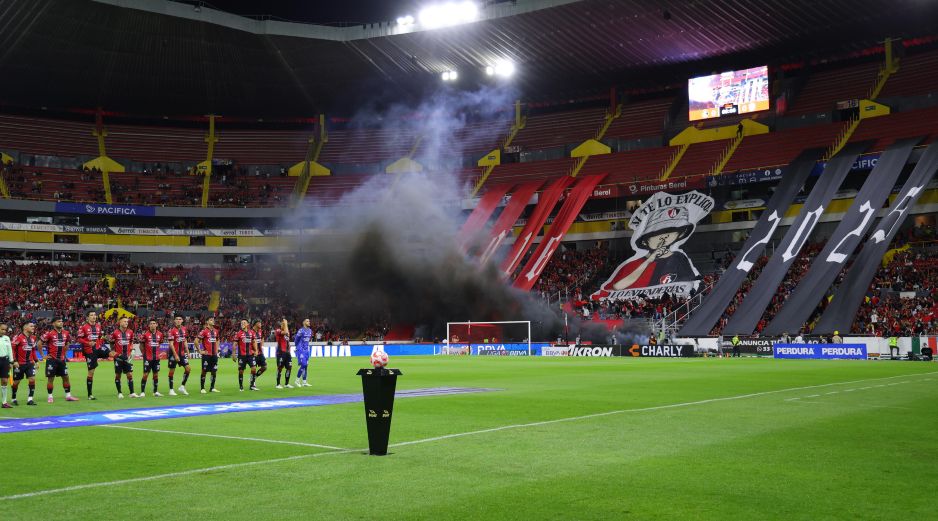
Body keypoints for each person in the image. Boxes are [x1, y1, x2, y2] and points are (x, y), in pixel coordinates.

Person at [41, 317, 78, 403]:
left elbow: (67, 343)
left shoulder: (66, 333)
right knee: (51, 379)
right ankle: (50, 396)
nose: (61, 323)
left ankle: (68, 396)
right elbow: (39, 343)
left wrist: (64, 354)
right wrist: (43, 355)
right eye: (58, 321)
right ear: (53, 323)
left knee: (66, 377)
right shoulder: (49, 334)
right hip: (52, 360)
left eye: (62, 321)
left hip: (61, 360)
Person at [77, 311, 108, 400]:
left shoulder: (98, 326)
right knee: (91, 372)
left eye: (95, 315)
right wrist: (88, 343)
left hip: (97, 348)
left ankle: (123, 359)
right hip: (89, 351)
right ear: (88, 317)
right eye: (91, 315)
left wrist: (102, 340)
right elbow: (79, 339)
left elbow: (99, 337)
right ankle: (90, 395)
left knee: (111, 353)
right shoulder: (83, 327)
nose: (94, 316)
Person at [11, 322, 40, 406]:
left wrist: (36, 361)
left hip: (30, 363)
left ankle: (30, 399)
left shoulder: (33, 338)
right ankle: (13, 398)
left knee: (32, 379)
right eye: (31, 326)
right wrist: (14, 361)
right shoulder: (18, 337)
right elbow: (12, 349)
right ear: (25, 328)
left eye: (33, 326)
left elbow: (33, 350)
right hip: (19, 364)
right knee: (16, 382)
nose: (33, 327)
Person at [110, 316, 136, 398]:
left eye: (127, 322)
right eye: (124, 321)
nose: (126, 323)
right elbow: (111, 343)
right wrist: (114, 352)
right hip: (118, 358)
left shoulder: (130, 332)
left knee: (130, 375)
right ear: (120, 322)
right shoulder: (115, 333)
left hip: (128, 357)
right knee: (118, 375)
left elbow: (131, 342)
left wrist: (132, 349)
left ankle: (132, 393)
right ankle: (119, 393)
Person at [167, 315, 190, 396]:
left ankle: (182, 386)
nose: (178, 320)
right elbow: (171, 344)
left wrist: (187, 351)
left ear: (182, 320)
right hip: (173, 354)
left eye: (180, 319)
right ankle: (171, 389)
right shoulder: (171, 331)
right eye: (177, 319)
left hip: (182, 354)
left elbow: (185, 341)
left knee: (188, 369)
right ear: (174, 321)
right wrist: (175, 355)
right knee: (172, 371)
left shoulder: (184, 329)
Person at [139, 320, 163, 397]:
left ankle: (155, 391)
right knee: (145, 374)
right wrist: (144, 355)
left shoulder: (160, 334)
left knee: (155, 374)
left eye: (154, 323)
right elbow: (141, 346)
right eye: (151, 324)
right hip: (148, 358)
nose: (153, 325)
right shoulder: (145, 335)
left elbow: (159, 343)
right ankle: (142, 392)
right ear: (149, 325)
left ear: (156, 324)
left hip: (156, 358)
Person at [233, 319, 258, 391]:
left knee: (253, 368)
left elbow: (254, 342)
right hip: (242, 355)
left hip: (250, 355)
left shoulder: (251, 332)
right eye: (241, 323)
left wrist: (256, 350)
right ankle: (241, 386)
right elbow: (235, 344)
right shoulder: (238, 333)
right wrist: (234, 354)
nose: (242, 324)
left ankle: (252, 385)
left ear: (247, 324)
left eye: (244, 322)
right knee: (241, 371)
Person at [198, 317, 221, 393]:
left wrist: (217, 349)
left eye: (213, 320)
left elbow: (218, 340)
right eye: (211, 320)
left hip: (214, 355)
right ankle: (202, 388)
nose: (213, 321)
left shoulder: (216, 331)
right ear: (207, 322)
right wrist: (200, 351)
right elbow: (196, 341)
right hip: (206, 355)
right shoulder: (204, 331)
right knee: (204, 371)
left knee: (214, 371)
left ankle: (212, 387)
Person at [274, 319, 293, 389]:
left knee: (289, 367)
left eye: (284, 324)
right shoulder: (278, 331)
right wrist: (286, 323)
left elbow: (288, 341)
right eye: (282, 324)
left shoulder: (287, 332)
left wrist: (290, 350)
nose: (284, 325)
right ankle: (278, 384)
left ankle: (286, 383)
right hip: (280, 352)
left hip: (287, 353)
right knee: (280, 368)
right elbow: (285, 332)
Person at [294, 318, 312, 387]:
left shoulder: (310, 331)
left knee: (306, 366)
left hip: (306, 350)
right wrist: (298, 348)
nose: (309, 322)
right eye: (307, 321)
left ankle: (304, 382)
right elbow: (296, 340)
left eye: (309, 321)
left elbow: (307, 340)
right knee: (303, 364)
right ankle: (297, 380)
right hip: (301, 350)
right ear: (304, 323)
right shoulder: (301, 331)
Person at [0, 323, 12, 408]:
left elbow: (10, 350)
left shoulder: (7, 338)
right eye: (2, 329)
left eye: (5, 330)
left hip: (4, 361)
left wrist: (11, 362)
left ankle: (4, 402)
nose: (4, 331)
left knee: (4, 381)